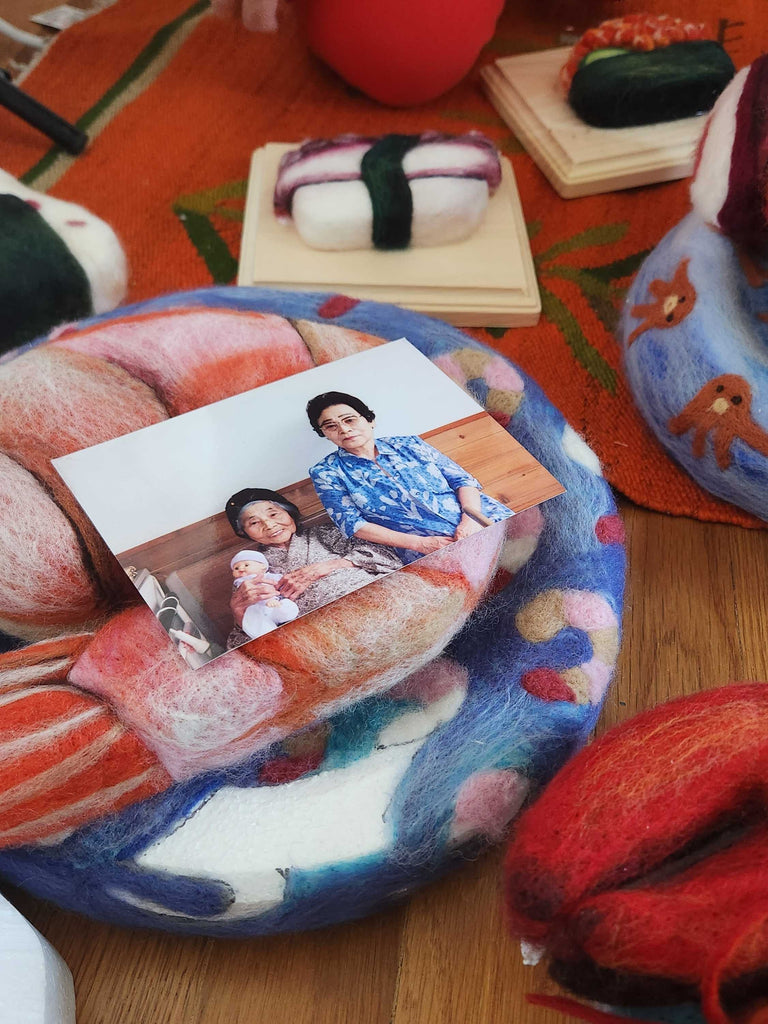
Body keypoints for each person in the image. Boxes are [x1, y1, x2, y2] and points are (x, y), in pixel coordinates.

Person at [306, 390, 514, 564]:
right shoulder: (326, 472)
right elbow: (353, 524)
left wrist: (470, 521)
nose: (344, 429)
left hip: (483, 518)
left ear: (370, 420)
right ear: (325, 433)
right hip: (427, 549)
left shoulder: (409, 443)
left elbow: (462, 480)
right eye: (331, 426)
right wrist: (421, 544)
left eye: (349, 419)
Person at [224, 487, 402, 648]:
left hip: (385, 605)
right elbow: (251, 640)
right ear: (244, 532)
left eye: (273, 514)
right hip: (331, 639)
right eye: (254, 523)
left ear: (289, 513)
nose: (269, 525)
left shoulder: (324, 533)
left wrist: (330, 566)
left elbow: (389, 558)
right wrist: (238, 614)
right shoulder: (248, 570)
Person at [230, 549, 299, 639]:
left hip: (274, 602)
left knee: (286, 605)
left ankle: (285, 612)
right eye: (236, 568)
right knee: (254, 620)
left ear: (262, 567)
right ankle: (268, 634)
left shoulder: (269, 576)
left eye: (246, 565)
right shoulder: (241, 583)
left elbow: (280, 583)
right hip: (256, 608)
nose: (241, 569)